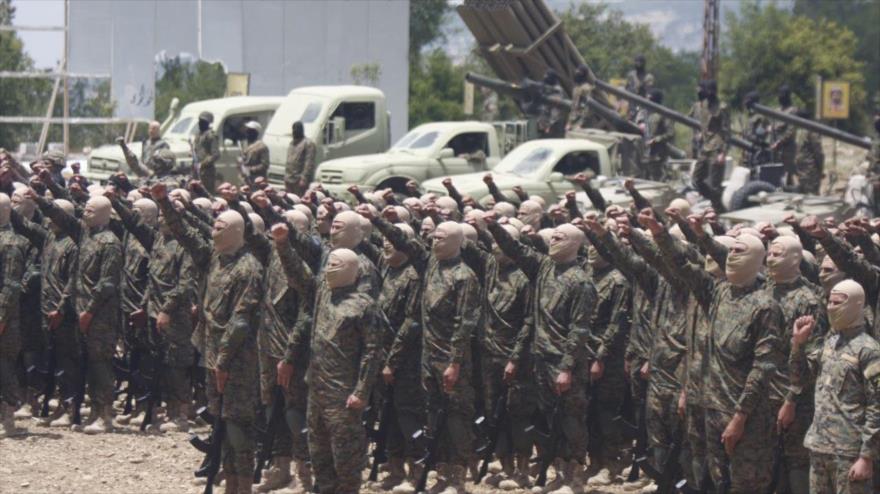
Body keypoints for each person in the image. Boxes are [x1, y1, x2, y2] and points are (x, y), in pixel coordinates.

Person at [644, 212, 783, 493]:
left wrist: (739, 418)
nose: (731, 257)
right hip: (710, 408)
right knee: (714, 480)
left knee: (746, 483)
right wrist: (659, 234)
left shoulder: (765, 306)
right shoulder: (718, 292)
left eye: (739, 252)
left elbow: (762, 369)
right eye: (729, 251)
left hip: (745, 415)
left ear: (757, 260)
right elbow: (682, 266)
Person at [155, 182, 263, 493]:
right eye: (213, 224)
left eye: (219, 225)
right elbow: (187, 236)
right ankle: (229, 482)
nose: (213, 230)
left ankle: (243, 486)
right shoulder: (215, 258)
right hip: (212, 353)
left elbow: (241, 320)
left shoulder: (249, 269)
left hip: (236, 360)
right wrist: (164, 203)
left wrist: (224, 361)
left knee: (239, 427)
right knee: (222, 424)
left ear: (235, 232)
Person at [487, 216, 596, 494]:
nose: (554, 241)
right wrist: (494, 227)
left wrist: (567, 367)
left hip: (563, 362)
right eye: (553, 236)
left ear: (574, 244)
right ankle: (559, 474)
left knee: (571, 420)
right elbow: (516, 250)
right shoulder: (544, 266)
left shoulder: (580, 282)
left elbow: (579, 329)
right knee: (550, 419)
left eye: (560, 237)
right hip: (540, 359)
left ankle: (574, 479)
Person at [31, 190, 123, 435]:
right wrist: (39, 198)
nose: (85, 213)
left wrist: (89, 312)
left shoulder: (110, 242)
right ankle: (92, 412)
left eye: (91, 210)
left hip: (100, 314)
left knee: (100, 363)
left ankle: (105, 415)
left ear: (104, 214)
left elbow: (107, 284)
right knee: (88, 363)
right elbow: (63, 218)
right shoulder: (85, 234)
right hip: (82, 311)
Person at [790, 281, 880, 494]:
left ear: (856, 305)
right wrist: (798, 344)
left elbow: (876, 407)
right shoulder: (829, 343)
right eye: (829, 301)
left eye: (837, 302)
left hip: (849, 452)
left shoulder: (869, 350)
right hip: (819, 446)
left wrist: (866, 456)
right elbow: (800, 377)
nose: (831, 307)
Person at [0, 193, 25, 438]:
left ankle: (8, 419)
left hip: (5, 317)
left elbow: (11, 284)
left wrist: (1, 317)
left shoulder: (11, 243)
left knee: (4, 366)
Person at [693, 80, 729, 212]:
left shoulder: (722, 107)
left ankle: (718, 210)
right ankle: (717, 204)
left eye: (711, 91)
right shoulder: (702, 105)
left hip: (717, 147)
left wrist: (723, 152)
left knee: (715, 185)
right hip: (705, 147)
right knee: (696, 179)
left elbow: (726, 131)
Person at [642, 89, 674, 181]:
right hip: (646, 152)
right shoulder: (646, 113)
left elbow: (670, 133)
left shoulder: (663, 114)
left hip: (658, 152)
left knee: (658, 177)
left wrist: (656, 140)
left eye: (649, 99)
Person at [771, 86, 799, 187]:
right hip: (775, 149)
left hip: (787, 149)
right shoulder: (776, 110)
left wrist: (779, 142)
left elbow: (790, 131)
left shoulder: (792, 111)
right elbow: (773, 129)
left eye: (782, 96)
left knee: (788, 176)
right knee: (776, 174)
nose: (780, 98)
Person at [794, 109, 825, 195]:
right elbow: (819, 152)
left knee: (809, 193)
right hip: (806, 168)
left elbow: (818, 152)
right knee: (808, 194)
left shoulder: (803, 131)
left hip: (807, 168)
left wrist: (820, 168)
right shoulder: (804, 130)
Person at [285, 121, 317, 195]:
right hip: (289, 179)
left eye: (297, 129)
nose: (295, 131)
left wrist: (304, 179)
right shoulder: (292, 143)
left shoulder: (308, 144)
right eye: (294, 129)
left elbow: (309, 163)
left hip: (299, 180)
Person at [194, 111, 221, 193]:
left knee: (207, 193)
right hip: (196, 170)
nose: (200, 123)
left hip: (207, 171)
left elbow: (216, 154)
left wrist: (202, 163)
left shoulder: (211, 135)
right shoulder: (198, 135)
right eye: (200, 121)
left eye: (203, 122)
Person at [625, 55, 655, 119]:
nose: (638, 64)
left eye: (640, 62)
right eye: (636, 61)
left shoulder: (648, 77)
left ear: (643, 63)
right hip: (629, 100)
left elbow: (648, 92)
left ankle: (633, 112)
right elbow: (626, 87)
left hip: (641, 100)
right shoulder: (631, 74)